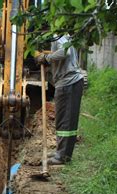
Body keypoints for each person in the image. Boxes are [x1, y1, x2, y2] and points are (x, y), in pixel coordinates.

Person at [36, 35, 84, 165]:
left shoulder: (58, 37)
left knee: (66, 123)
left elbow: (65, 52)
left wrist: (47, 58)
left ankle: (62, 156)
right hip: (67, 83)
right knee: (63, 120)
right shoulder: (62, 36)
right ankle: (61, 152)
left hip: (69, 84)